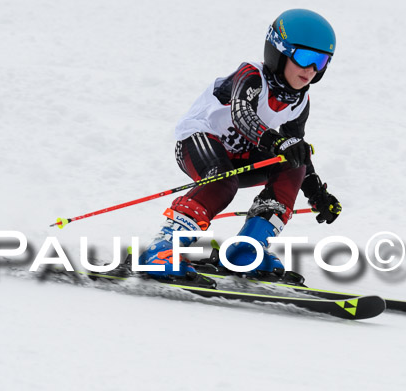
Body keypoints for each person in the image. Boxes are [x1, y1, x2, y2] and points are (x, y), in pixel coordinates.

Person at [139, 8, 342, 281]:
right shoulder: (252, 76)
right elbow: (242, 113)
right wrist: (275, 141)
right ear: (278, 52)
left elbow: (296, 148)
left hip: (241, 154)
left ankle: (246, 249)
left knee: (294, 163)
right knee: (222, 181)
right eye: (304, 57)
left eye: (321, 60)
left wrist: (317, 193)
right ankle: (162, 249)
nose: (311, 69)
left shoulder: (300, 101)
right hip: (197, 140)